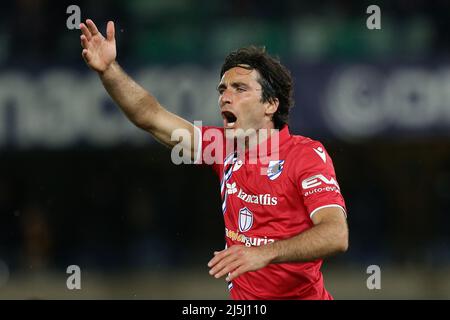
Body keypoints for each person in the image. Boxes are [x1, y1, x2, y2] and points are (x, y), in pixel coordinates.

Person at [79, 19, 349, 300]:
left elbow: (336, 234)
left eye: (240, 89)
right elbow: (150, 116)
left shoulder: (304, 154)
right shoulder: (221, 147)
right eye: (223, 90)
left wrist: (264, 254)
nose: (225, 98)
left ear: (271, 104)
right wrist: (109, 70)